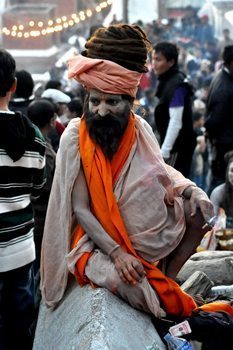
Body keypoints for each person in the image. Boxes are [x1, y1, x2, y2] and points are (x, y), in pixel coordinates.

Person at [40, 24, 232, 322]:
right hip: (96, 242)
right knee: (133, 287)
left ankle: (165, 280)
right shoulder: (76, 137)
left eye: (112, 102)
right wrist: (117, 253)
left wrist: (190, 190)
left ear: (129, 103)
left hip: (144, 239)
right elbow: (80, 207)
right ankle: (163, 294)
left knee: (200, 211)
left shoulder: (138, 128)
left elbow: (162, 169)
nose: (101, 110)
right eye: (95, 101)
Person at [0, 49, 46, 349]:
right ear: (13, 85)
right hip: (20, 251)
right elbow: (37, 188)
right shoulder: (35, 137)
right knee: (19, 333)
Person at [153, 42, 196, 177]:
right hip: (172, 146)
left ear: (171, 62)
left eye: (158, 60)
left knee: (174, 188)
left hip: (177, 149)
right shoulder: (167, 80)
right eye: (153, 58)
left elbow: (175, 122)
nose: (154, 63)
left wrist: (164, 151)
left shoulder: (178, 86)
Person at [205, 45, 233, 193]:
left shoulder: (223, 76)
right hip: (224, 146)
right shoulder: (225, 88)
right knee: (220, 185)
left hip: (222, 143)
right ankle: (210, 215)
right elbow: (214, 121)